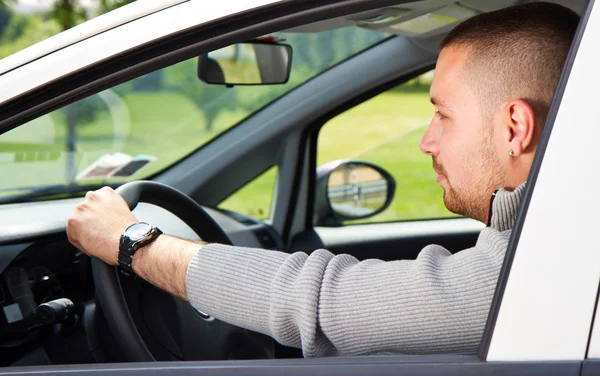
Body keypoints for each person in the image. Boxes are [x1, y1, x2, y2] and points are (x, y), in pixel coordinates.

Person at [67, 2, 579, 357]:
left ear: (515, 127)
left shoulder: (546, 271)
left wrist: (130, 240)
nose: (427, 141)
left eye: (443, 115)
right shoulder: (555, 232)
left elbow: (311, 302)